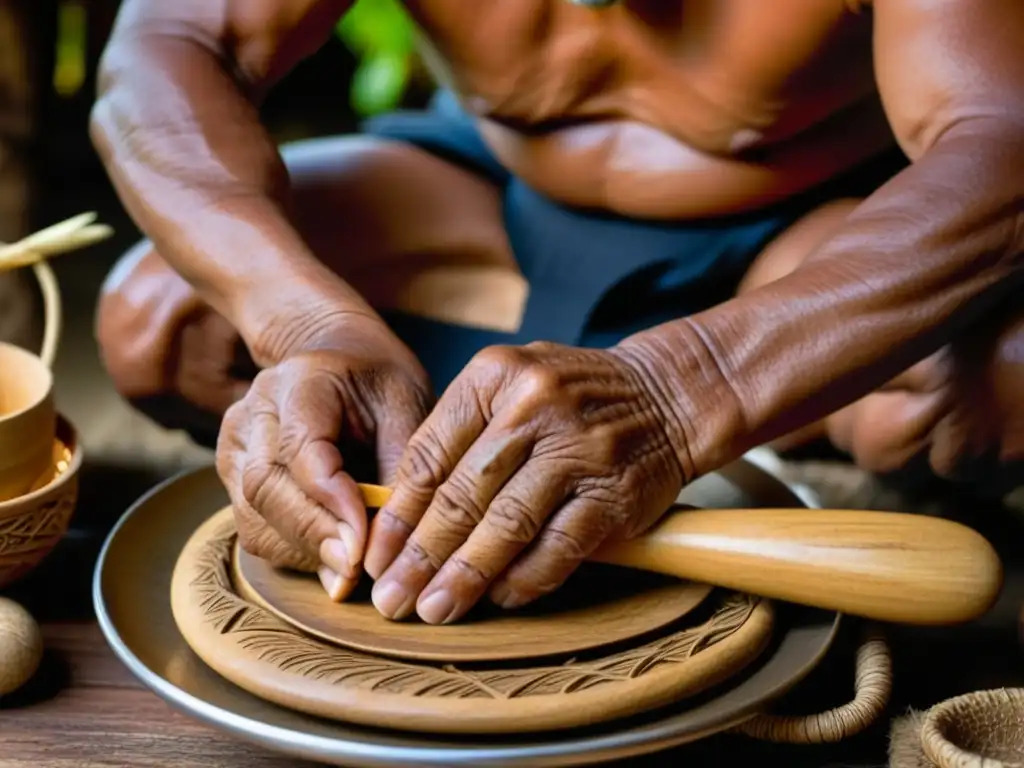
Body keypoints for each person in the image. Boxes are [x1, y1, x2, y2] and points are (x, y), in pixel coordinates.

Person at [91, 0, 1022, 626]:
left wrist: (681, 388)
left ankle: (711, 413)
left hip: (799, 250)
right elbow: (165, 46)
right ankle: (543, 424)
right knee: (165, 322)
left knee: (1005, 382)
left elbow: (1006, 134)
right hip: (492, 207)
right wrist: (305, 324)